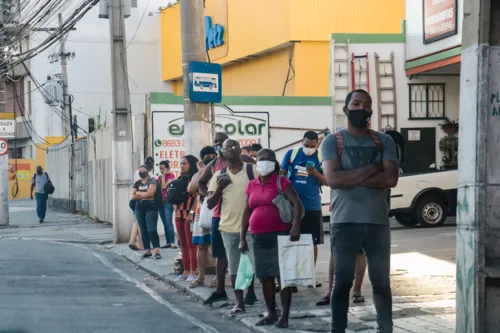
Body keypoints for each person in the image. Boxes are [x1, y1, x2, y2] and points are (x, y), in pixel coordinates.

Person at [321, 89, 399, 333]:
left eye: (367, 104)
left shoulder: (384, 141)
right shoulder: (333, 141)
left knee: (382, 284)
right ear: (346, 109)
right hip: (344, 222)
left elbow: (392, 179)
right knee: (342, 283)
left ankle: (385, 329)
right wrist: (372, 169)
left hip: (378, 223)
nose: (362, 108)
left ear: (371, 111)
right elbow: (332, 179)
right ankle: (338, 329)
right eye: (356, 103)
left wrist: (351, 177)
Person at [240, 149, 302, 328]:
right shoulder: (251, 185)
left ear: (274, 163)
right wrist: (242, 236)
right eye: (261, 159)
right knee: (265, 277)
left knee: (283, 276)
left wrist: (296, 225)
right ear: (256, 162)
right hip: (258, 237)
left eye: (268, 159)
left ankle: (285, 316)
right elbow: (246, 211)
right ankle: (271, 314)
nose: (264, 162)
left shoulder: (281, 182)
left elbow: (296, 203)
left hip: (281, 234)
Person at [198, 132, 255, 305]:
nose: (221, 145)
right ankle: (221, 290)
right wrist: (209, 194)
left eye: (223, 141)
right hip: (220, 216)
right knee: (222, 256)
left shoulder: (246, 161)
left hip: (248, 219)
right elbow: (201, 184)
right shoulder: (214, 164)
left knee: (248, 257)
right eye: (217, 142)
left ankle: (250, 292)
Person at [280, 131, 327, 286]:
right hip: (292, 206)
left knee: (311, 242)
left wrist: (315, 173)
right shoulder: (291, 153)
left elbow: (328, 181)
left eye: (312, 146)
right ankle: (291, 278)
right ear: (302, 141)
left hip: (312, 206)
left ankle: (309, 276)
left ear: (317, 144)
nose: (309, 148)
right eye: (306, 145)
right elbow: (281, 175)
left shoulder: (320, 157)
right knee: (291, 241)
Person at [186, 146, 217, 288]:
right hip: (202, 211)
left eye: (212, 155)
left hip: (217, 208)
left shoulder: (219, 169)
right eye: (206, 156)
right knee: (201, 245)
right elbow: (191, 189)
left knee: (217, 245)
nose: (209, 157)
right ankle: (201, 277)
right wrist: (200, 172)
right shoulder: (198, 174)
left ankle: (218, 277)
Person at [174, 155, 199, 282]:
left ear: (191, 165)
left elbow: (197, 197)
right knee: (183, 244)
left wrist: (192, 212)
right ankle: (186, 271)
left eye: (185, 163)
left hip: (189, 215)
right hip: (178, 214)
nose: (182, 165)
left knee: (191, 244)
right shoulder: (179, 179)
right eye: (181, 163)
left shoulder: (194, 179)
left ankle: (193, 271)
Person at [131, 165, 161, 260]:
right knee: (143, 230)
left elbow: (151, 194)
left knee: (151, 229)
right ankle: (147, 251)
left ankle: (156, 251)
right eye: (140, 171)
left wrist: (139, 193)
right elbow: (133, 196)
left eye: (144, 170)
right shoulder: (137, 183)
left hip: (151, 207)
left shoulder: (152, 181)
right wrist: (145, 195)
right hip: (139, 208)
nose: (142, 172)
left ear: (147, 172)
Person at [129, 157, 155, 251]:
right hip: (142, 201)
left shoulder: (137, 172)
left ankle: (134, 241)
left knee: (138, 221)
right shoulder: (149, 174)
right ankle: (140, 244)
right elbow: (149, 191)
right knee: (140, 222)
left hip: (135, 199)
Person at [158, 160, 177, 249]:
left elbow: (164, 186)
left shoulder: (171, 176)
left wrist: (163, 177)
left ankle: (173, 242)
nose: (161, 170)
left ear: (168, 169)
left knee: (169, 222)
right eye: (160, 168)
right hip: (160, 202)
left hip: (168, 202)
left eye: (163, 168)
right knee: (164, 222)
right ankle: (168, 242)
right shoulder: (159, 178)